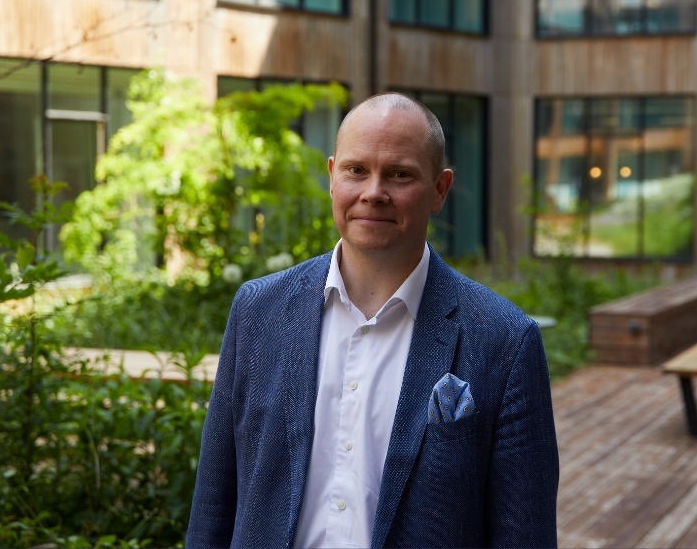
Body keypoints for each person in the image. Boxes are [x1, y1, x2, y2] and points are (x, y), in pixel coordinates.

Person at [187, 93, 559, 548]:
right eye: (356, 170)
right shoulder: (257, 311)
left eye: (400, 174)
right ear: (332, 177)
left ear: (439, 189)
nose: (374, 192)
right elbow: (213, 506)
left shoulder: (505, 340)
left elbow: (525, 536)